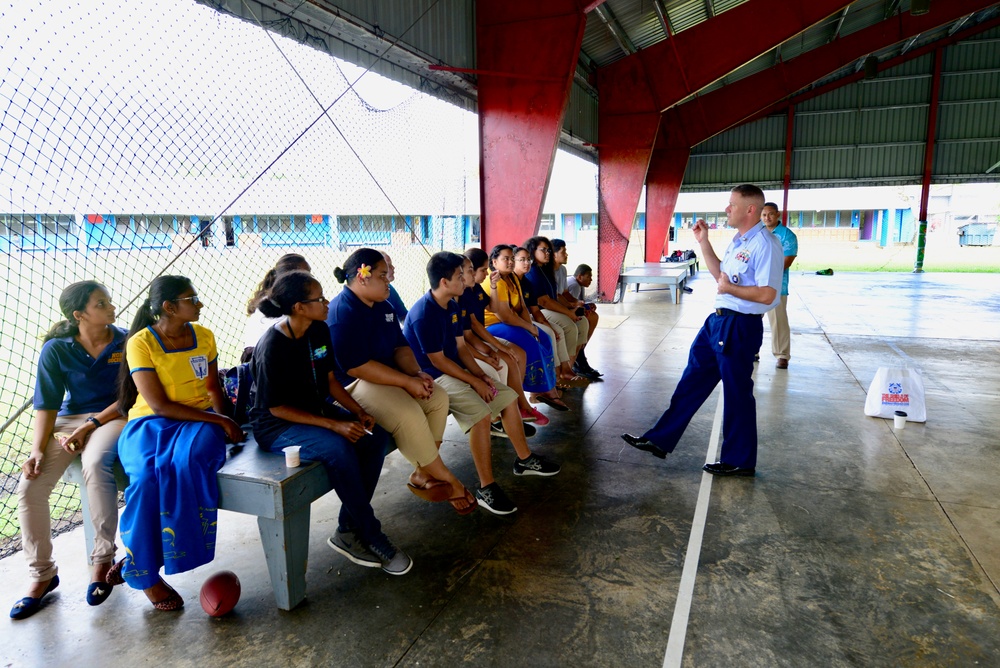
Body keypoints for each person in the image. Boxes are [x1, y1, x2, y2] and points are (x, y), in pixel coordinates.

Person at [250, 271, 411, 575]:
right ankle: (371, 534)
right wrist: (335, 426)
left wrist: (355, 412)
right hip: (277, 426)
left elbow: (330, 382)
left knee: (373, 436)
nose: (327, 302)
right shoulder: (272, 345)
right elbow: (276, 408)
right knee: (339, 449)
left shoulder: (318, 330)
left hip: (314, 409)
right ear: (299, 307)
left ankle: (348, 529)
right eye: (319, 298)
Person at [621, 184, 783, 477]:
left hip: (739, 325)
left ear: (750, 209)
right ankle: (659, 439)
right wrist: (703, 241)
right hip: (718, 322)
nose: (727, 209)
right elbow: (720, 273)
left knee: (737, 394)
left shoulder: (765, 243)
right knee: (692, 381)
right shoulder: (739, 240)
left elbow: (768, 295)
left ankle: (740, 460)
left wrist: (731, 288)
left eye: (732, 204)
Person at [109, 275, 245, 610]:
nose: (200, 303)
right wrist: (222, 420)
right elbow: (159, 405)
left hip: (198, 423)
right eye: (192, 298)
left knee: (187, 464)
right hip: (150, 424)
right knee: (144, 479)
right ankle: (146, 577)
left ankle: (141, 558)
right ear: (170, 307)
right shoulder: (141, 342)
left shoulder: (205, 336)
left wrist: (232, 421)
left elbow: (213, 388)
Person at [404, 252, 560, 515]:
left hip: (453, 369)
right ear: (444, 282)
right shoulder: (423, 313)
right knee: (481, 415)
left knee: (507, 396)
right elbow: (439, 362)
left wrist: (482, 375)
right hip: (434, 376)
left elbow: (461, 348)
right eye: (459, 275)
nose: (465, 278)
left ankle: (524, 460)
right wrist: (473, 381)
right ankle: (486, 488)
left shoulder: (451, 306)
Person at [326, 248, 477, 515]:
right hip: (351, 386)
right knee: (408, 412)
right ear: (363, 278)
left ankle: (423, 472)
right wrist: (405, 383)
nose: (389, 281)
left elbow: (400, 347)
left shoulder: (383, 306)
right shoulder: (343, 311)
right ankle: (450, 480)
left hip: (383, 378)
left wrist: (415, 374)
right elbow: (357, 367)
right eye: (383, 275)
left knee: (437, 397)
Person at [10, 282, 127, 620]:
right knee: (30, 487)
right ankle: (42, 576)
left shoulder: (125, 339)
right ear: (79, 315)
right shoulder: (57, 349)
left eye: (108, 299)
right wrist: (36, 450)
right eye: (100, 303)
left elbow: (130, 396)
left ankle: (102, 560)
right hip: (69, 419)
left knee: (95, 463)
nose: (110, 306)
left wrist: (90, 425)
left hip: (111, 416)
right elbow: (46, 404)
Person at [461, 249, 548, 426]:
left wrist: (492, 286)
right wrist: (496, 349)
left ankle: (520, 405)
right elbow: (474, 328)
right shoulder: (463, 294)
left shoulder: (477, 287)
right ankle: (502, 414)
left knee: (519, 354)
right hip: (479, 338)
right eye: (481, 270)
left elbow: (492, 307)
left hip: (480, 339)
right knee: (504, 362)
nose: (486, 273)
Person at [481, 245, 566, 411]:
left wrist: (531, 327)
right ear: (494, 261)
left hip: (508, 323)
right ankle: (541, 390)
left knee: (544, 338)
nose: (510, 262)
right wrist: (528, 328)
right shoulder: (495, 280)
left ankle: (547, 388)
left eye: (512, 258)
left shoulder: (512, 278)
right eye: (506, 258)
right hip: (492, 325)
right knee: (530, 342)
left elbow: (522, 308)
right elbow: (504, 315)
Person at [512, 246, 583, 391]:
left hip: (529, 317)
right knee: (550, 333)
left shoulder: (527, 281)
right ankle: (553, 379)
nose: (527, 263)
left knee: (556, 330)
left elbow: (533, 309)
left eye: (528, 260)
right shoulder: (509, 280)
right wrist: (531, 327)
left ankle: (565, 368)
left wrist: (548, 324)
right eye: (522, 260)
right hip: (513, 322)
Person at [243, 253, 311, 361]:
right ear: (289, 280)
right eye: (306, 276)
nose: (311, 280)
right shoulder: (273, 306)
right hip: (259, 364)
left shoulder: (281, 299)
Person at [554, 247, 601, 379]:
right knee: (585, 320)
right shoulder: (574, 284)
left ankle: (575, 360)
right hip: (554, 310)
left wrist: (581, 305)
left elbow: (565, 295)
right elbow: (554, 299)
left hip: (564, 307)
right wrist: (576, 308)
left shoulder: (563, 271)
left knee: (587, 318)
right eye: (588, 277)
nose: (591, 280)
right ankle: (577, 359)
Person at [761, 202, 798, 369]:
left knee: (778, 320)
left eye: (770, 214)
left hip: (777, 286)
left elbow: (787, 261)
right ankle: (751, 351)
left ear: (777, 215)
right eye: (763, 215)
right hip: (753, 285)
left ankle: (782, 355)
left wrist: (766, 274)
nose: (767, 217)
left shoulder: (787, 235)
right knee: (750, 320)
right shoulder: (757, 233)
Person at [382, 251, 408, 321]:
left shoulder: (390, 289)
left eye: (391, 265)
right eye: (388, 266)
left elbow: (403, 315)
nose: (393, 268)